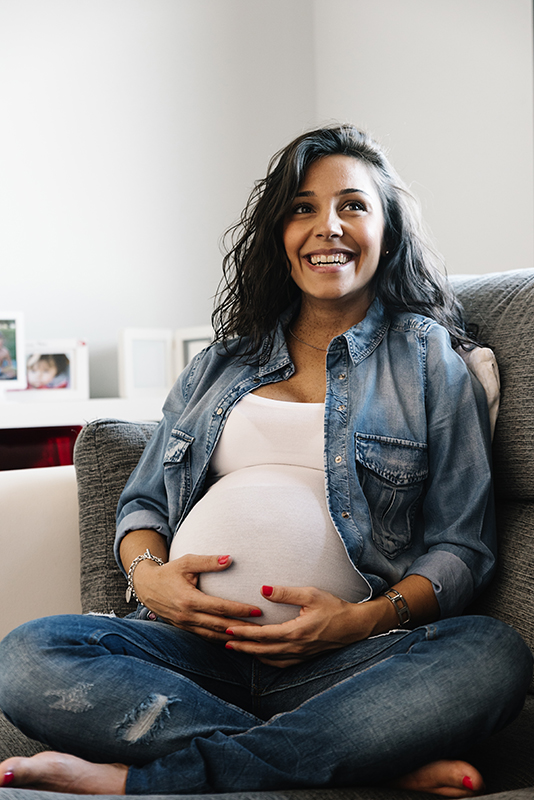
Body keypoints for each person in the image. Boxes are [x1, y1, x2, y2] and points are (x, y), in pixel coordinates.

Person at [0, 124, 532, 797]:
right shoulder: (221, 365)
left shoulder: (427, 358)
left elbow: (463, 546)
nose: (327, 227)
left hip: (348, 659)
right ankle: (362, 756)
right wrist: (150, 576)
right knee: (25, 656)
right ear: (278, 235)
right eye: (302, 208)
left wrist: (359, 620)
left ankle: (147, 780)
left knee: (493, 656)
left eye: (354, 206)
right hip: (188, 655)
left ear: (389, 233)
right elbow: (142, 506)